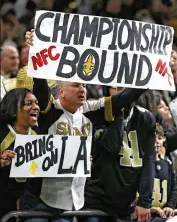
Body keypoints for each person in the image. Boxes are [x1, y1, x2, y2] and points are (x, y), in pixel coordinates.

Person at [19, 31, 148, 222]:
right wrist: (37, 49)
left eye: (85, 86)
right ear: (61, 91)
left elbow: (126, 97)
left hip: (74, 202)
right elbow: (40, 85)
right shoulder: (49, 109)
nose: (82, 89)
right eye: (76, 85)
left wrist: (150, 70)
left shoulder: (91, 110)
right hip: (39, 199)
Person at [84, 85, 156, 222]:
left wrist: (145, 200)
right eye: (115, 88)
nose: (121, 91)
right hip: (96, 203)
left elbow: (149, 160)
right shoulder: (95, 112)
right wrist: (118, 112)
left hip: (126, 204)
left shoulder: (146, 118)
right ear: (106, 90)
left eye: (123, 87)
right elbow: (112, 146)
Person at [0, 88, 40, 219]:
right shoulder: (2, 133)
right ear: (13, 108)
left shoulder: (38, 136)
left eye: (36, 103)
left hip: (28, 206)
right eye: (29, 104)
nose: (36, 107)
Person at [150, 123, 177, 222]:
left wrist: (170, 206)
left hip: (162, 215)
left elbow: (174, 189)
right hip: (144, 214)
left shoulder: (168, 164)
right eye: (153, 138)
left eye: (160, 138)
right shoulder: (141, 164)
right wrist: (146, 207)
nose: (157, 142)